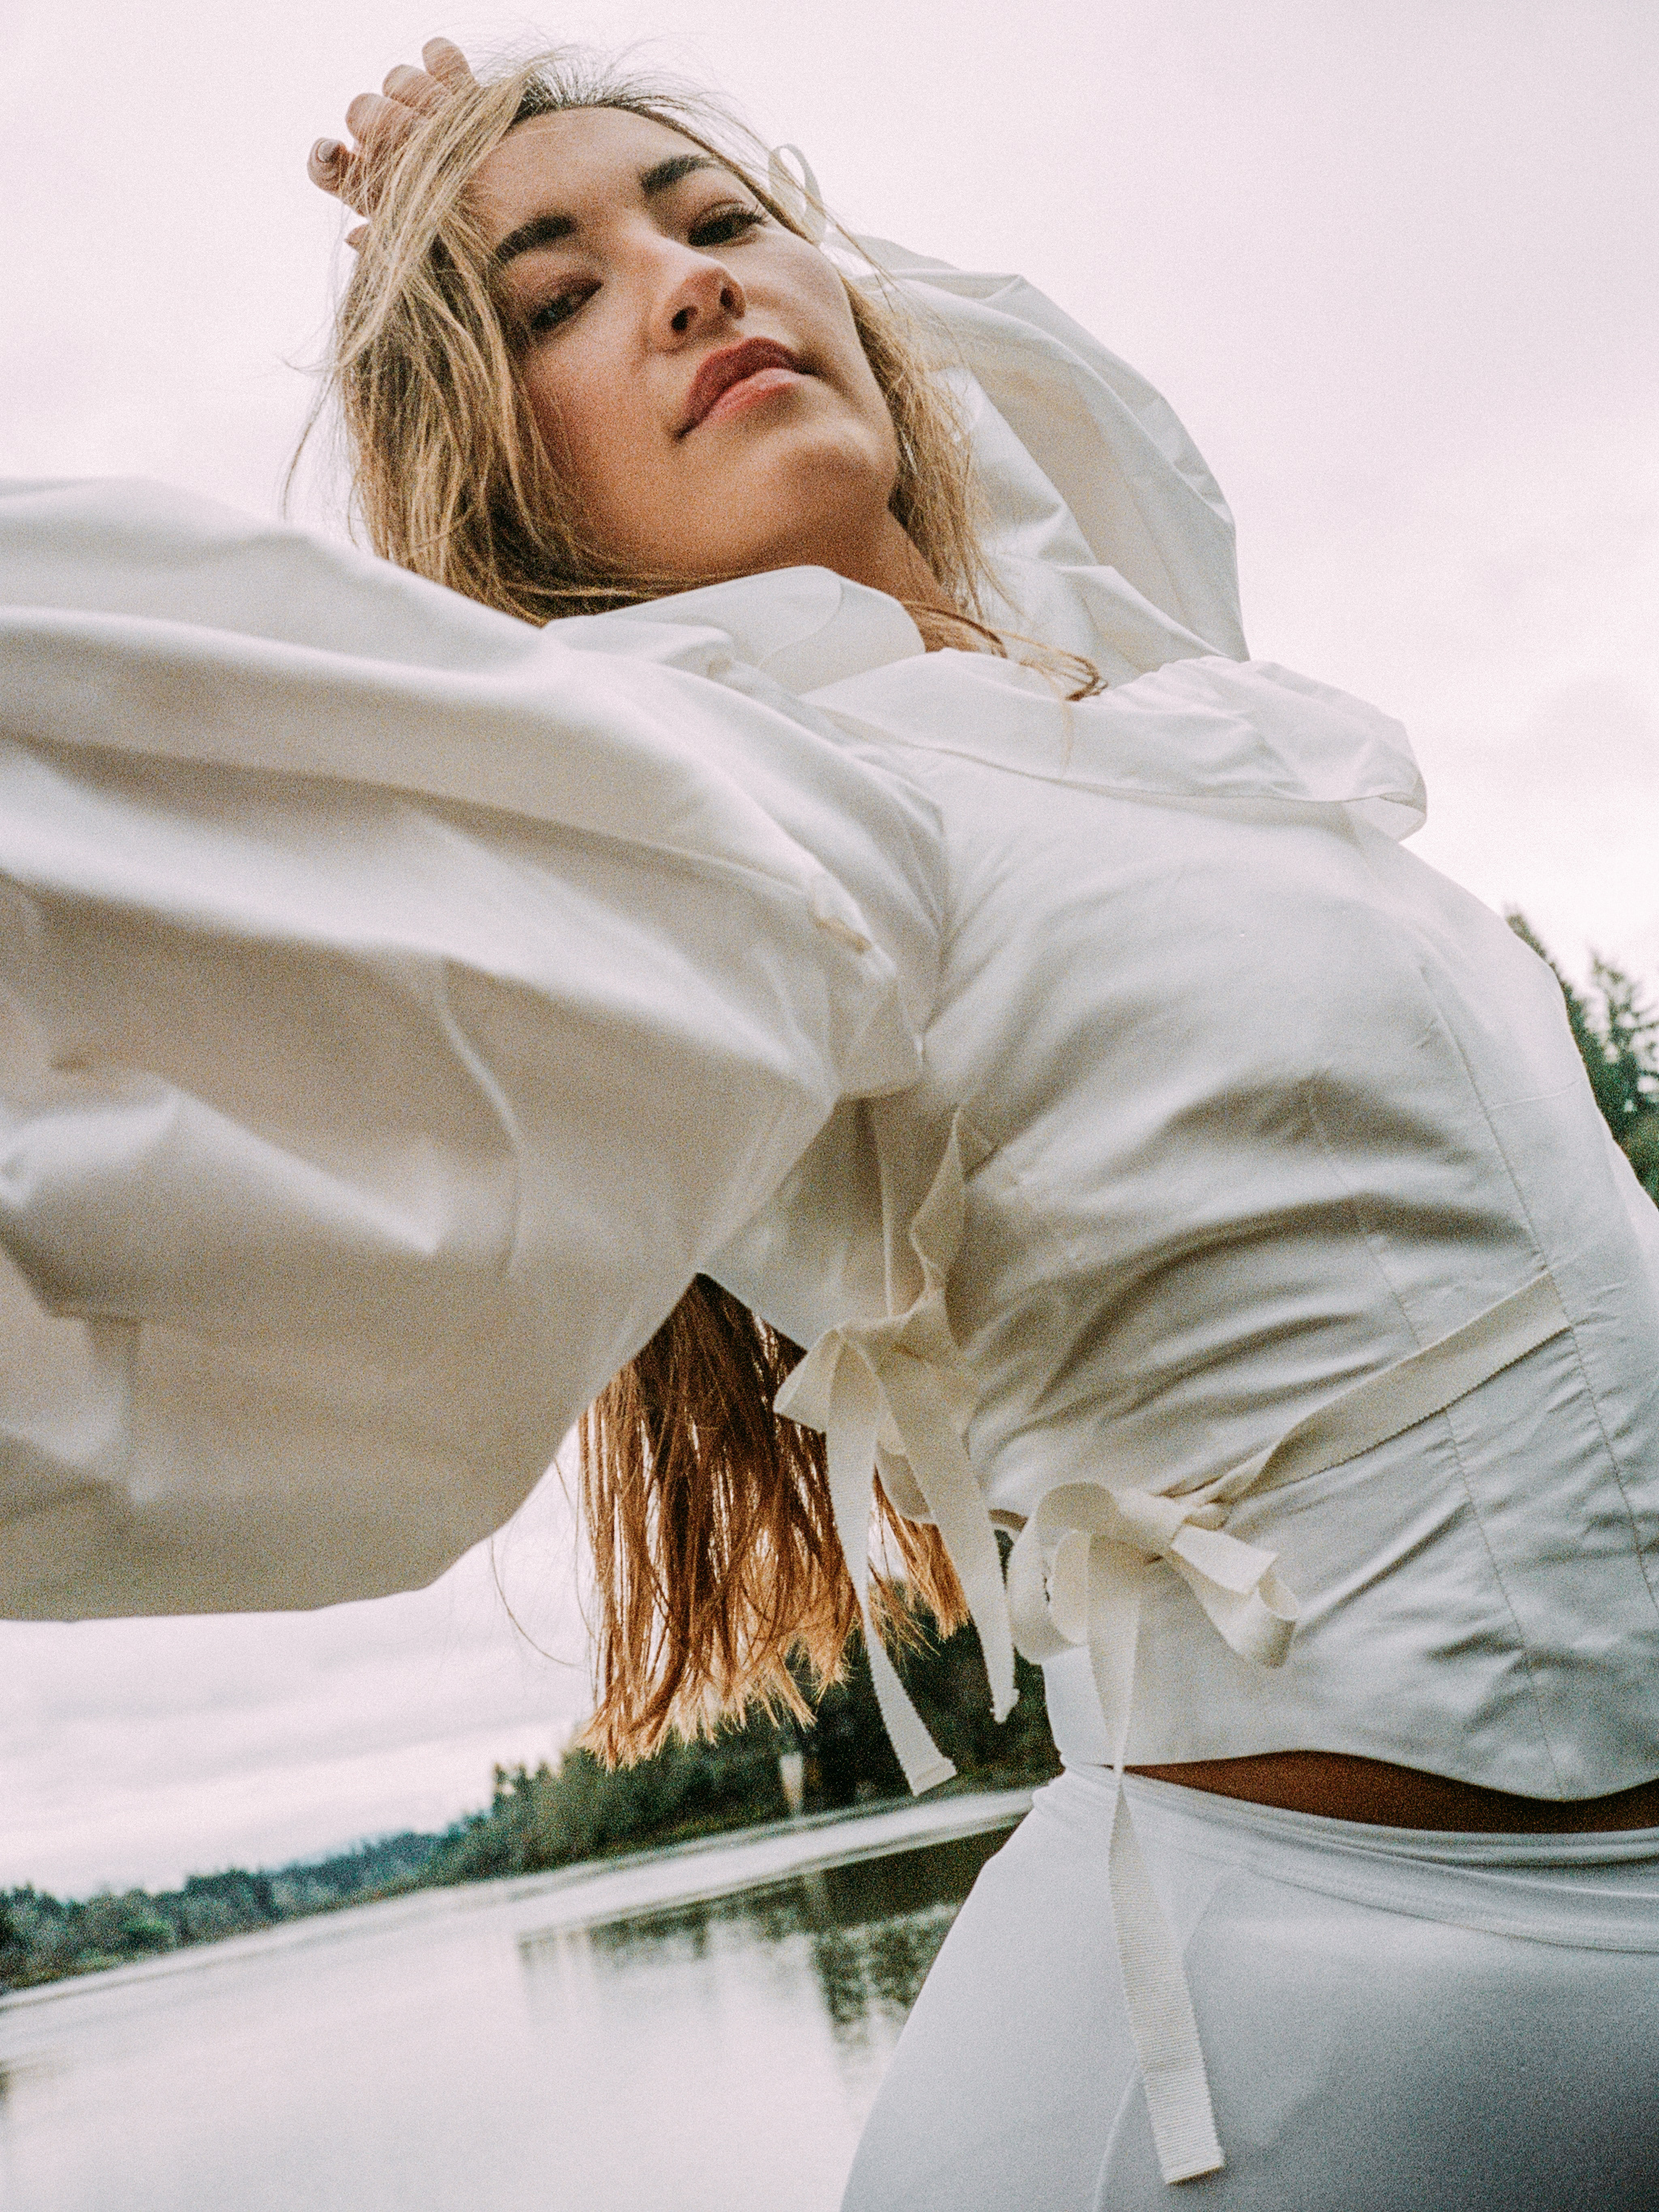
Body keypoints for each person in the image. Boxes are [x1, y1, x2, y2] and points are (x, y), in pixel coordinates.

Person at [2, 36, 1657, 2209]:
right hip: (1290, 2054)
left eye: (721, 222)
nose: (690, 284)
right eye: (556, 303)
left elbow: (1043, 408)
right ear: (507, 487)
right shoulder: (749, 797)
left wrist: (534, 173)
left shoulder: (1124, 686)